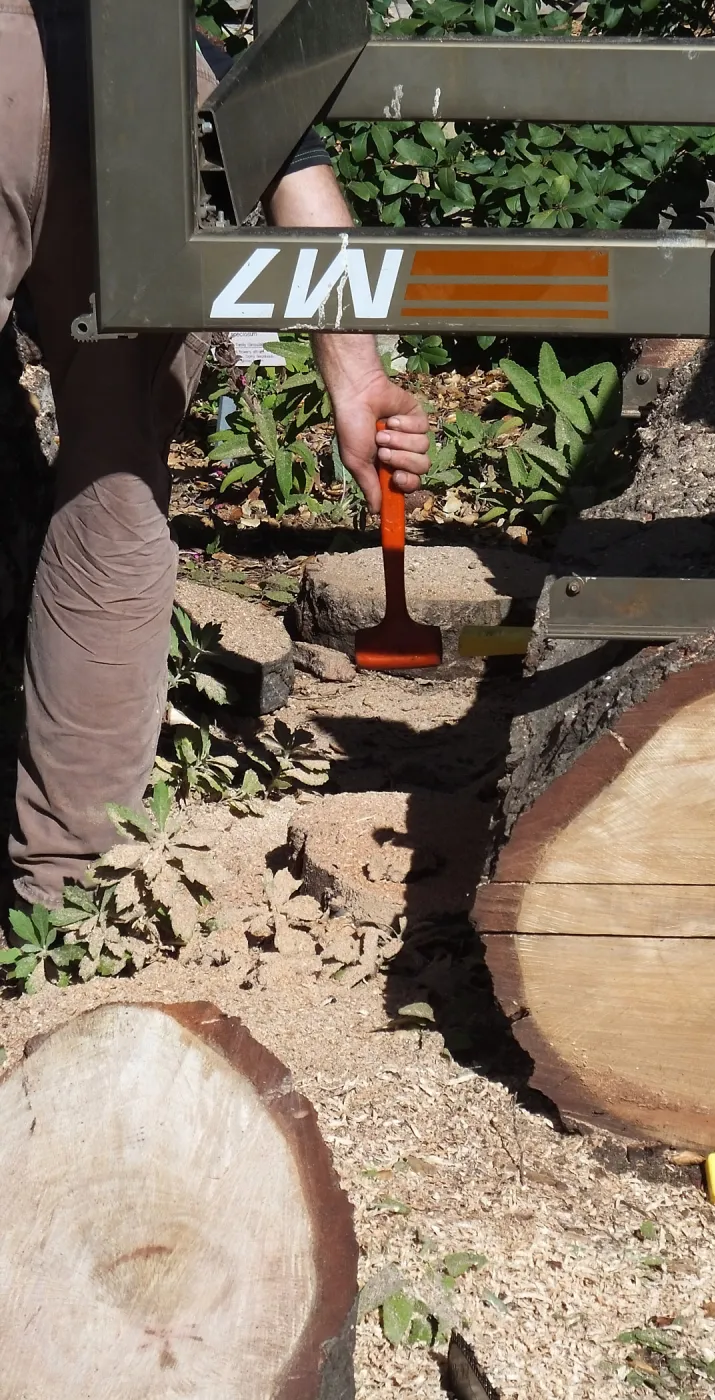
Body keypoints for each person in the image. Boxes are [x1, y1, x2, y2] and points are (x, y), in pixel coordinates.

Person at [0, 1, 431, 906]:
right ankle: (71, 891)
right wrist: (355, 375)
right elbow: (275, 128)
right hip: (128, 58)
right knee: (114, 472)